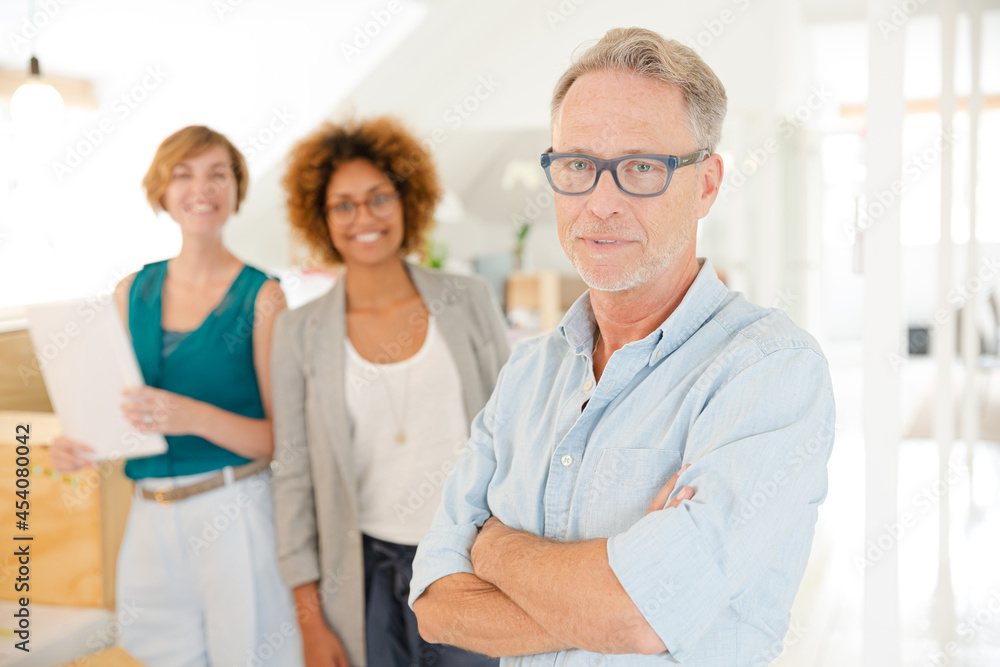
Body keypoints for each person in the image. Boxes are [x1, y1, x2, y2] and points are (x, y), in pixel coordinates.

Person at [409, 27, 836, 666]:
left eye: (641, 167)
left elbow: (636, 615)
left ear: (707, 183)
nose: (601, 203)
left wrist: (492, 546)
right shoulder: (529, 371)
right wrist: (605, 596)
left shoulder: (770, 372)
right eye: (578, 165)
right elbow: (438, 608)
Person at [51, 126, 302, 666]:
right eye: (183, 175)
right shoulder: (130, 292)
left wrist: (194, 416)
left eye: (217, 174)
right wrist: (78, 448)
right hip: (149, 518)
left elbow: (278, 440)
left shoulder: (263, 297)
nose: (201, 189)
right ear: (161, 191)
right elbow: (120, 418)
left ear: (236, 189)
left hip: (234, 510)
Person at [271, 116, 509, 667]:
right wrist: (310, 621)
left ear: (407, 201)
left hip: (472, 562)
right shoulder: (299, 332)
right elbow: (292, 477)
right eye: (343, 205)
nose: (364, 218)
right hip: (366, 578)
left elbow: (517, 435)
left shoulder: (468, 299)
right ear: (321, 217)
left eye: (379, 197)